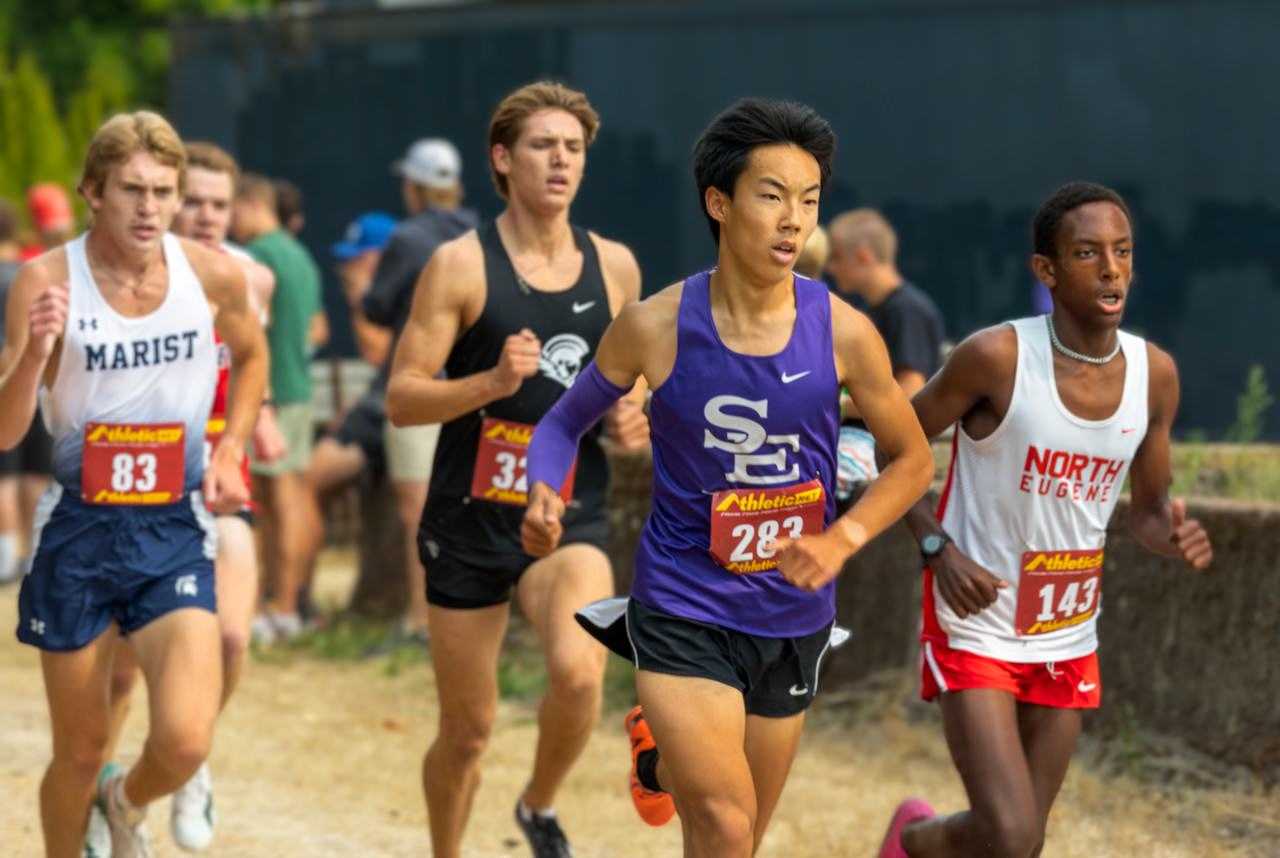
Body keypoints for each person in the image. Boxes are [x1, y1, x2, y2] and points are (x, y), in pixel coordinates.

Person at [522, 97, 934, 858]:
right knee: (724, 823)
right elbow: (561, 422)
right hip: (682, 604)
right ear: (720, 201)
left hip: (791, 617)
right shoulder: (655, 324)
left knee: (737, 840)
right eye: (772, 196)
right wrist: (544, 488)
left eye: (808, 202)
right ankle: (668, 734)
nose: (793, 221)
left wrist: (842, 540)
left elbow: (912, 460)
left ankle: (659, 754)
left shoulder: (844, 330)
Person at [875, 182, 1213, 858]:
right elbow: (892, 447)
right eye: (1088, 253)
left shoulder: (1156, 376)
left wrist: (1170, 535)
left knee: (1021, 846)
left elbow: (1146, 511)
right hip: (975, 619)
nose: (1112, 268)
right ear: (1046, 271)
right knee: (1010, 832)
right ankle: (910, 841)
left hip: (1066, 631)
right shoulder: (996, 358)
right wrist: (937, 547)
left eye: (1122, 252)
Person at [386, 80, 649, 858]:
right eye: (543, 145)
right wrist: (491, 385)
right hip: (469, 519)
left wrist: (634, 420)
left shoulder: (616, 269)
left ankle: (538, 806)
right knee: (468, 731)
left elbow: (633, 389)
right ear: (503, 159)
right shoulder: (460, 265)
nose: (561, 160)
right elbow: (402, 399)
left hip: (570, 516)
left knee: (578, 674)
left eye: (573, 148)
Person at [0, 110, 267, 858]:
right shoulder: (46, 280)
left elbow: (252, 357)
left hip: (171, 529)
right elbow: (6, 430)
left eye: (163, 191)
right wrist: (34, 356)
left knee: (184, 739)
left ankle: (122, 805)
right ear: (93, 191)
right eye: (131, 191)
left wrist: (229, 448)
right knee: (79, 750)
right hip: (78, 528)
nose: (149, 208)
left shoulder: (212, 274)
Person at [91, 140, 284, 854]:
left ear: (234, 210)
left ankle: (189, 764)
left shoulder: (251, 278)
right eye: (191, 200)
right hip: (134, 478)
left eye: (217, 204)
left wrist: (252, 425)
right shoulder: (130, 273)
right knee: (121, 666)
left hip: (218, 478)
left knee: (231, 636)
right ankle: (102, 794)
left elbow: (253, 365)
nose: (203, 215)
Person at [364, 137, 479, 638]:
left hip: (424, 385)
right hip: (478, 387)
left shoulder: (408, 238)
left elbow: (376, 306)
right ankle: (467, 615)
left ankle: (421, 618)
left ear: (413, 187)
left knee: (418, 508)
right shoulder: (483, 232)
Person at [231, 173, 328, 641]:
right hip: (299, 387)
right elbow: (316, 330)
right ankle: (288, 601)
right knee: (287, 496)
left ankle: (281, 604)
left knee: (278, 501)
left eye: (231, 207)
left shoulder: (260, 255)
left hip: (273, 393)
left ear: (250, 204)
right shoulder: (300, 255)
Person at [289, 212, 399, 615]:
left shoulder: (394, 289)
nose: (346, 266)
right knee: (306, 482)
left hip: (401, 416)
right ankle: (299, 595)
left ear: (377, 258)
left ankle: (297, 597)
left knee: (307, 482)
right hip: (383, 409)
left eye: (356, 257)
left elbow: (377, 352)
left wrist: (359, 296)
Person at [826, 208, 945, 500]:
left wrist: (834, 403)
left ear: (864, 256)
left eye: (837, 257)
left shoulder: (906, 311)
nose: (830, 267)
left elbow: (909, 393)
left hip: (877, 446)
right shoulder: (875, 312)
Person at [0, 199, 27, 584]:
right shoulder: (29, 271)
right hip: (34, 381)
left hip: (4, 382)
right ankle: (37, 553)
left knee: (2, 478)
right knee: (36, 473)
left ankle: (4, 557)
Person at [21, 182, 76, 260]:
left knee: (50, 250)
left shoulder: (33, 195)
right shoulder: (53, 189)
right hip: (66, 222)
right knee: (68, 249)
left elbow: (34, 220)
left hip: (50, 224)